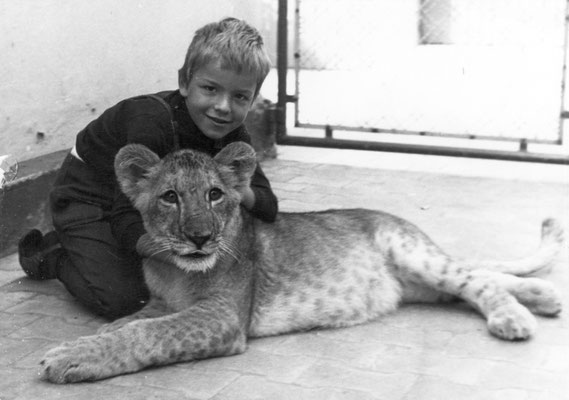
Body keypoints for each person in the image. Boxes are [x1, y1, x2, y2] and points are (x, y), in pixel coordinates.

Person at [17, 17, 278, 320]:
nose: (223, 106)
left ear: (252, 99)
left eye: (239, 97)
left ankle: (96, 252)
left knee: (169, 281)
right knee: (125, 299)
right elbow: (124, 214)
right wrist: (180, 252)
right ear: (184, 82)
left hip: (151, 202)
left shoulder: (232, 134)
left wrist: (236, 186)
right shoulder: (152, 123)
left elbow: (268, 206)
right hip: (89, 196)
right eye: (210, 88)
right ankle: (54, 255)